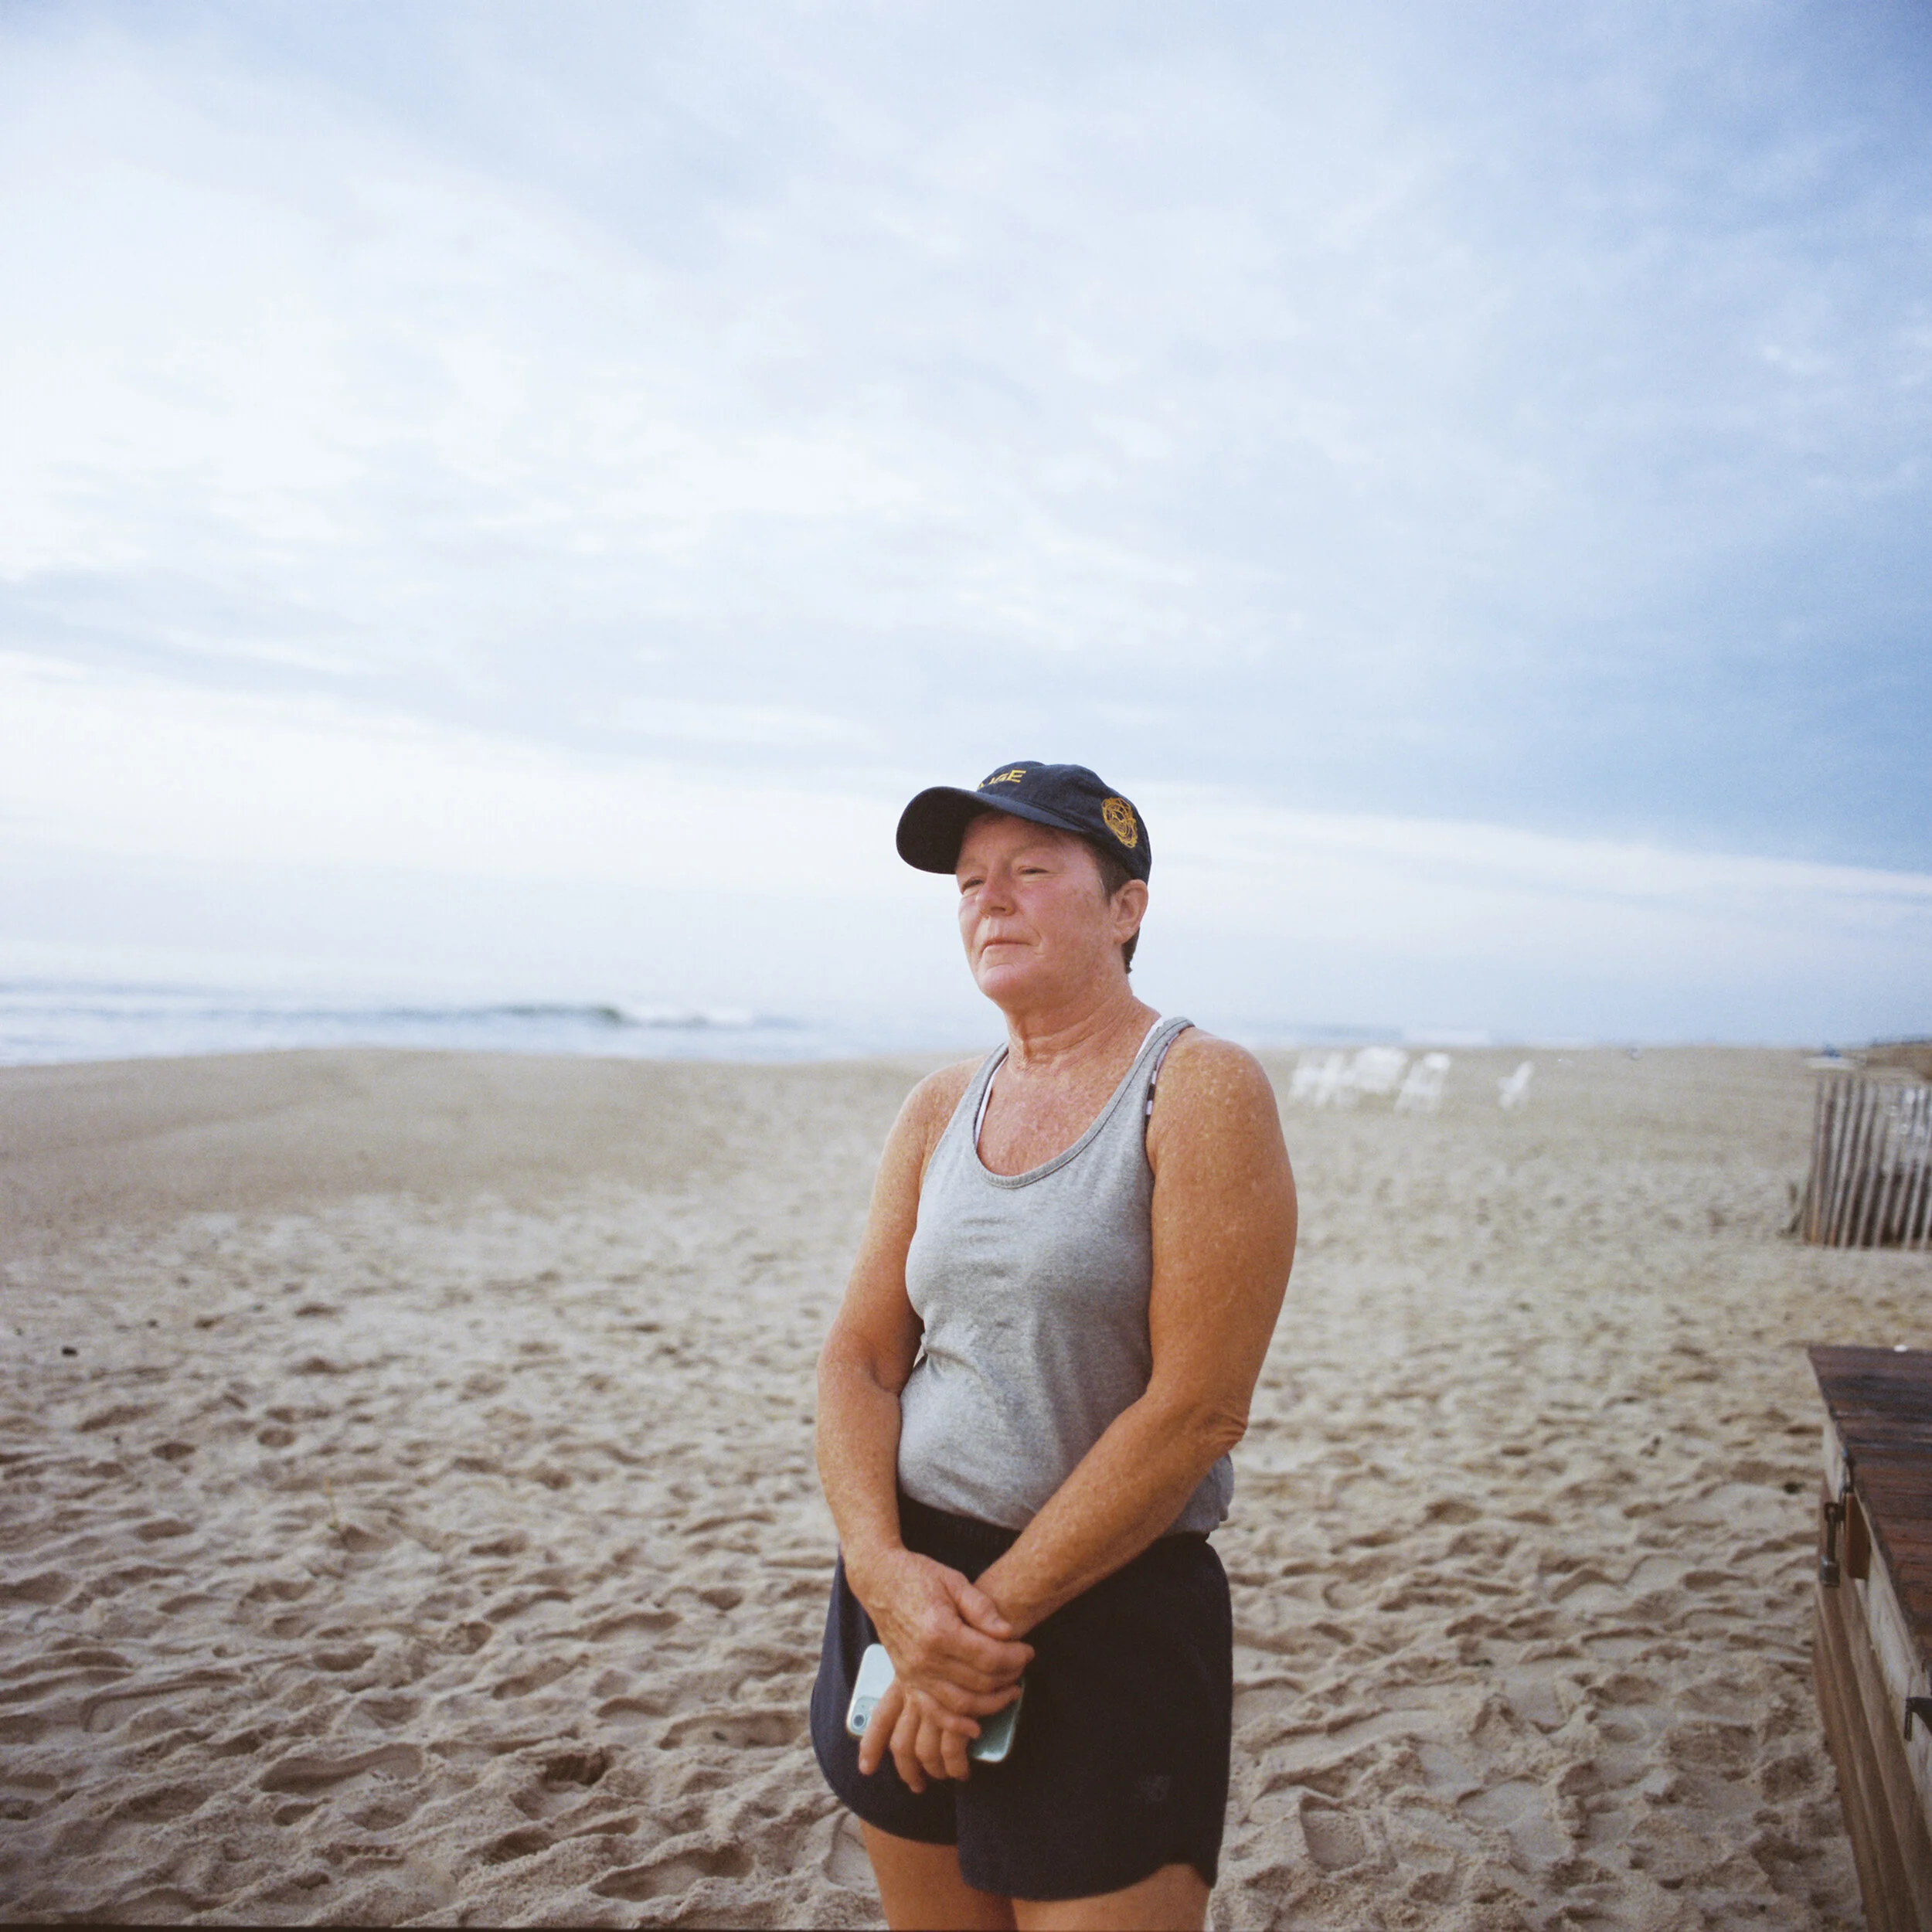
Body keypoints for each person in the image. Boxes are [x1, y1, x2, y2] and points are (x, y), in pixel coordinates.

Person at [809, 760, 1298, 1931]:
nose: (991, 899)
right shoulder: (941, 1105)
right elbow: (860, 1359)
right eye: (970, 882)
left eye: (1031, 871)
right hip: (906, 1590)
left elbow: (1197, 1408)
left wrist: (972, 1633)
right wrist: (884, 1579)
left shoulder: (1199, 1087)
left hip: (1098, 1617)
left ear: (1126, 908)